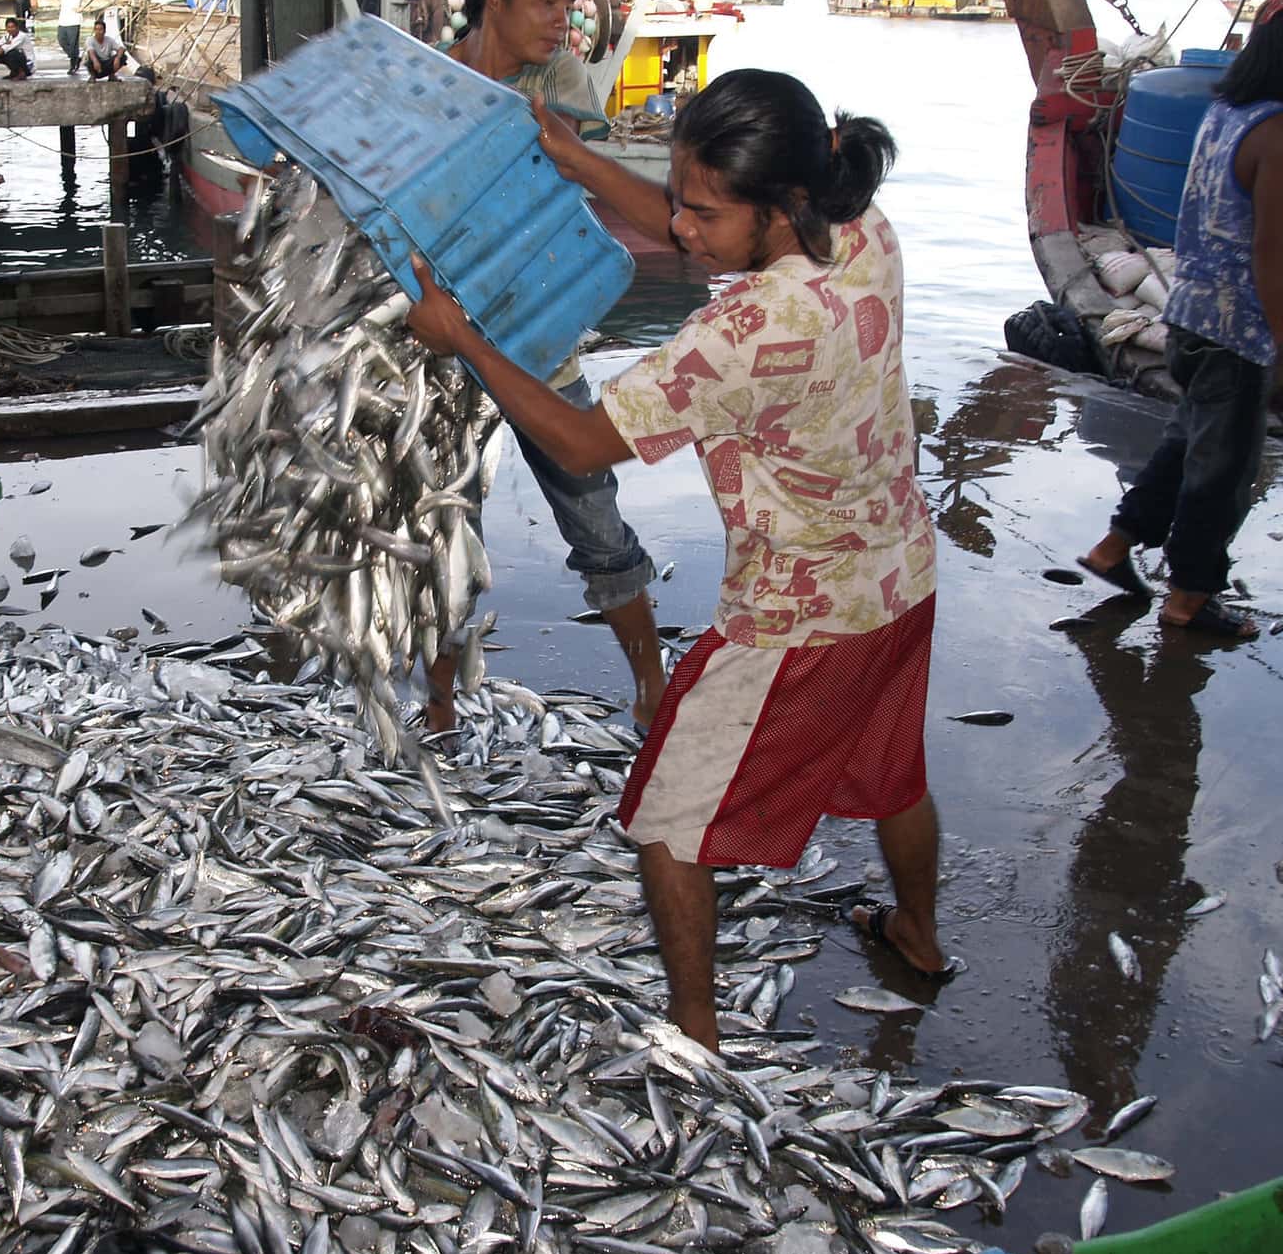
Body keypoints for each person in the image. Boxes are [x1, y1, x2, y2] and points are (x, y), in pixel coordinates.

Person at [406, 68, 949, 1049]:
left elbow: (575, 444)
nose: (680, 229)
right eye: (680, 198)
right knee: (892, 770)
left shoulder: (738, 335)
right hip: (899, 573)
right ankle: (914, 931)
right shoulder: (857, 229)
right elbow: (687, 226)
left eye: (702, 210)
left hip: (799, 617)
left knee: (665, 821)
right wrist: (571, 156)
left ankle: (693, 1039)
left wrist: (463, 340)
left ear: (776, 205)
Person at [423, 0, 665, 734]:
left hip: (538, 332)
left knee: (594, 516)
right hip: (445, 345)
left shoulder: (557, 76)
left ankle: (650, 687)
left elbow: (568, 160)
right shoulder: (424, 79)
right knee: (448, 526)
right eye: (546, 0)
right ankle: (441, 704)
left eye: (569, 3)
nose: (564, 18)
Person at [1076, 0, 1283, 640]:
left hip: (1187, 313)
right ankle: (1190, 597)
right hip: (1237, 332)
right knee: (1224, 474)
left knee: (1184, 444)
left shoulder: (1228, 110)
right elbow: (1270, 254)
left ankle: (1116, 546)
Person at [55, 0, 95, 76]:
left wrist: (82, 7)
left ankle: (73, 66)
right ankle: (75, 58)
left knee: (73, 44)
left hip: (74, 19)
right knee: (61, 40)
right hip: (63, 18)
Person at [0, 15, 36, 80]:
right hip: (20, 60)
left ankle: (22, 73)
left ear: (17, 27)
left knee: (13, 53)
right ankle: (15, 72)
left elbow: (5, 48)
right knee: (0, 55)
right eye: (8, 27)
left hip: (29, 66)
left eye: (12, 27)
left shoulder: (22, 36)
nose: (10, 29)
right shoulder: (8, 36)